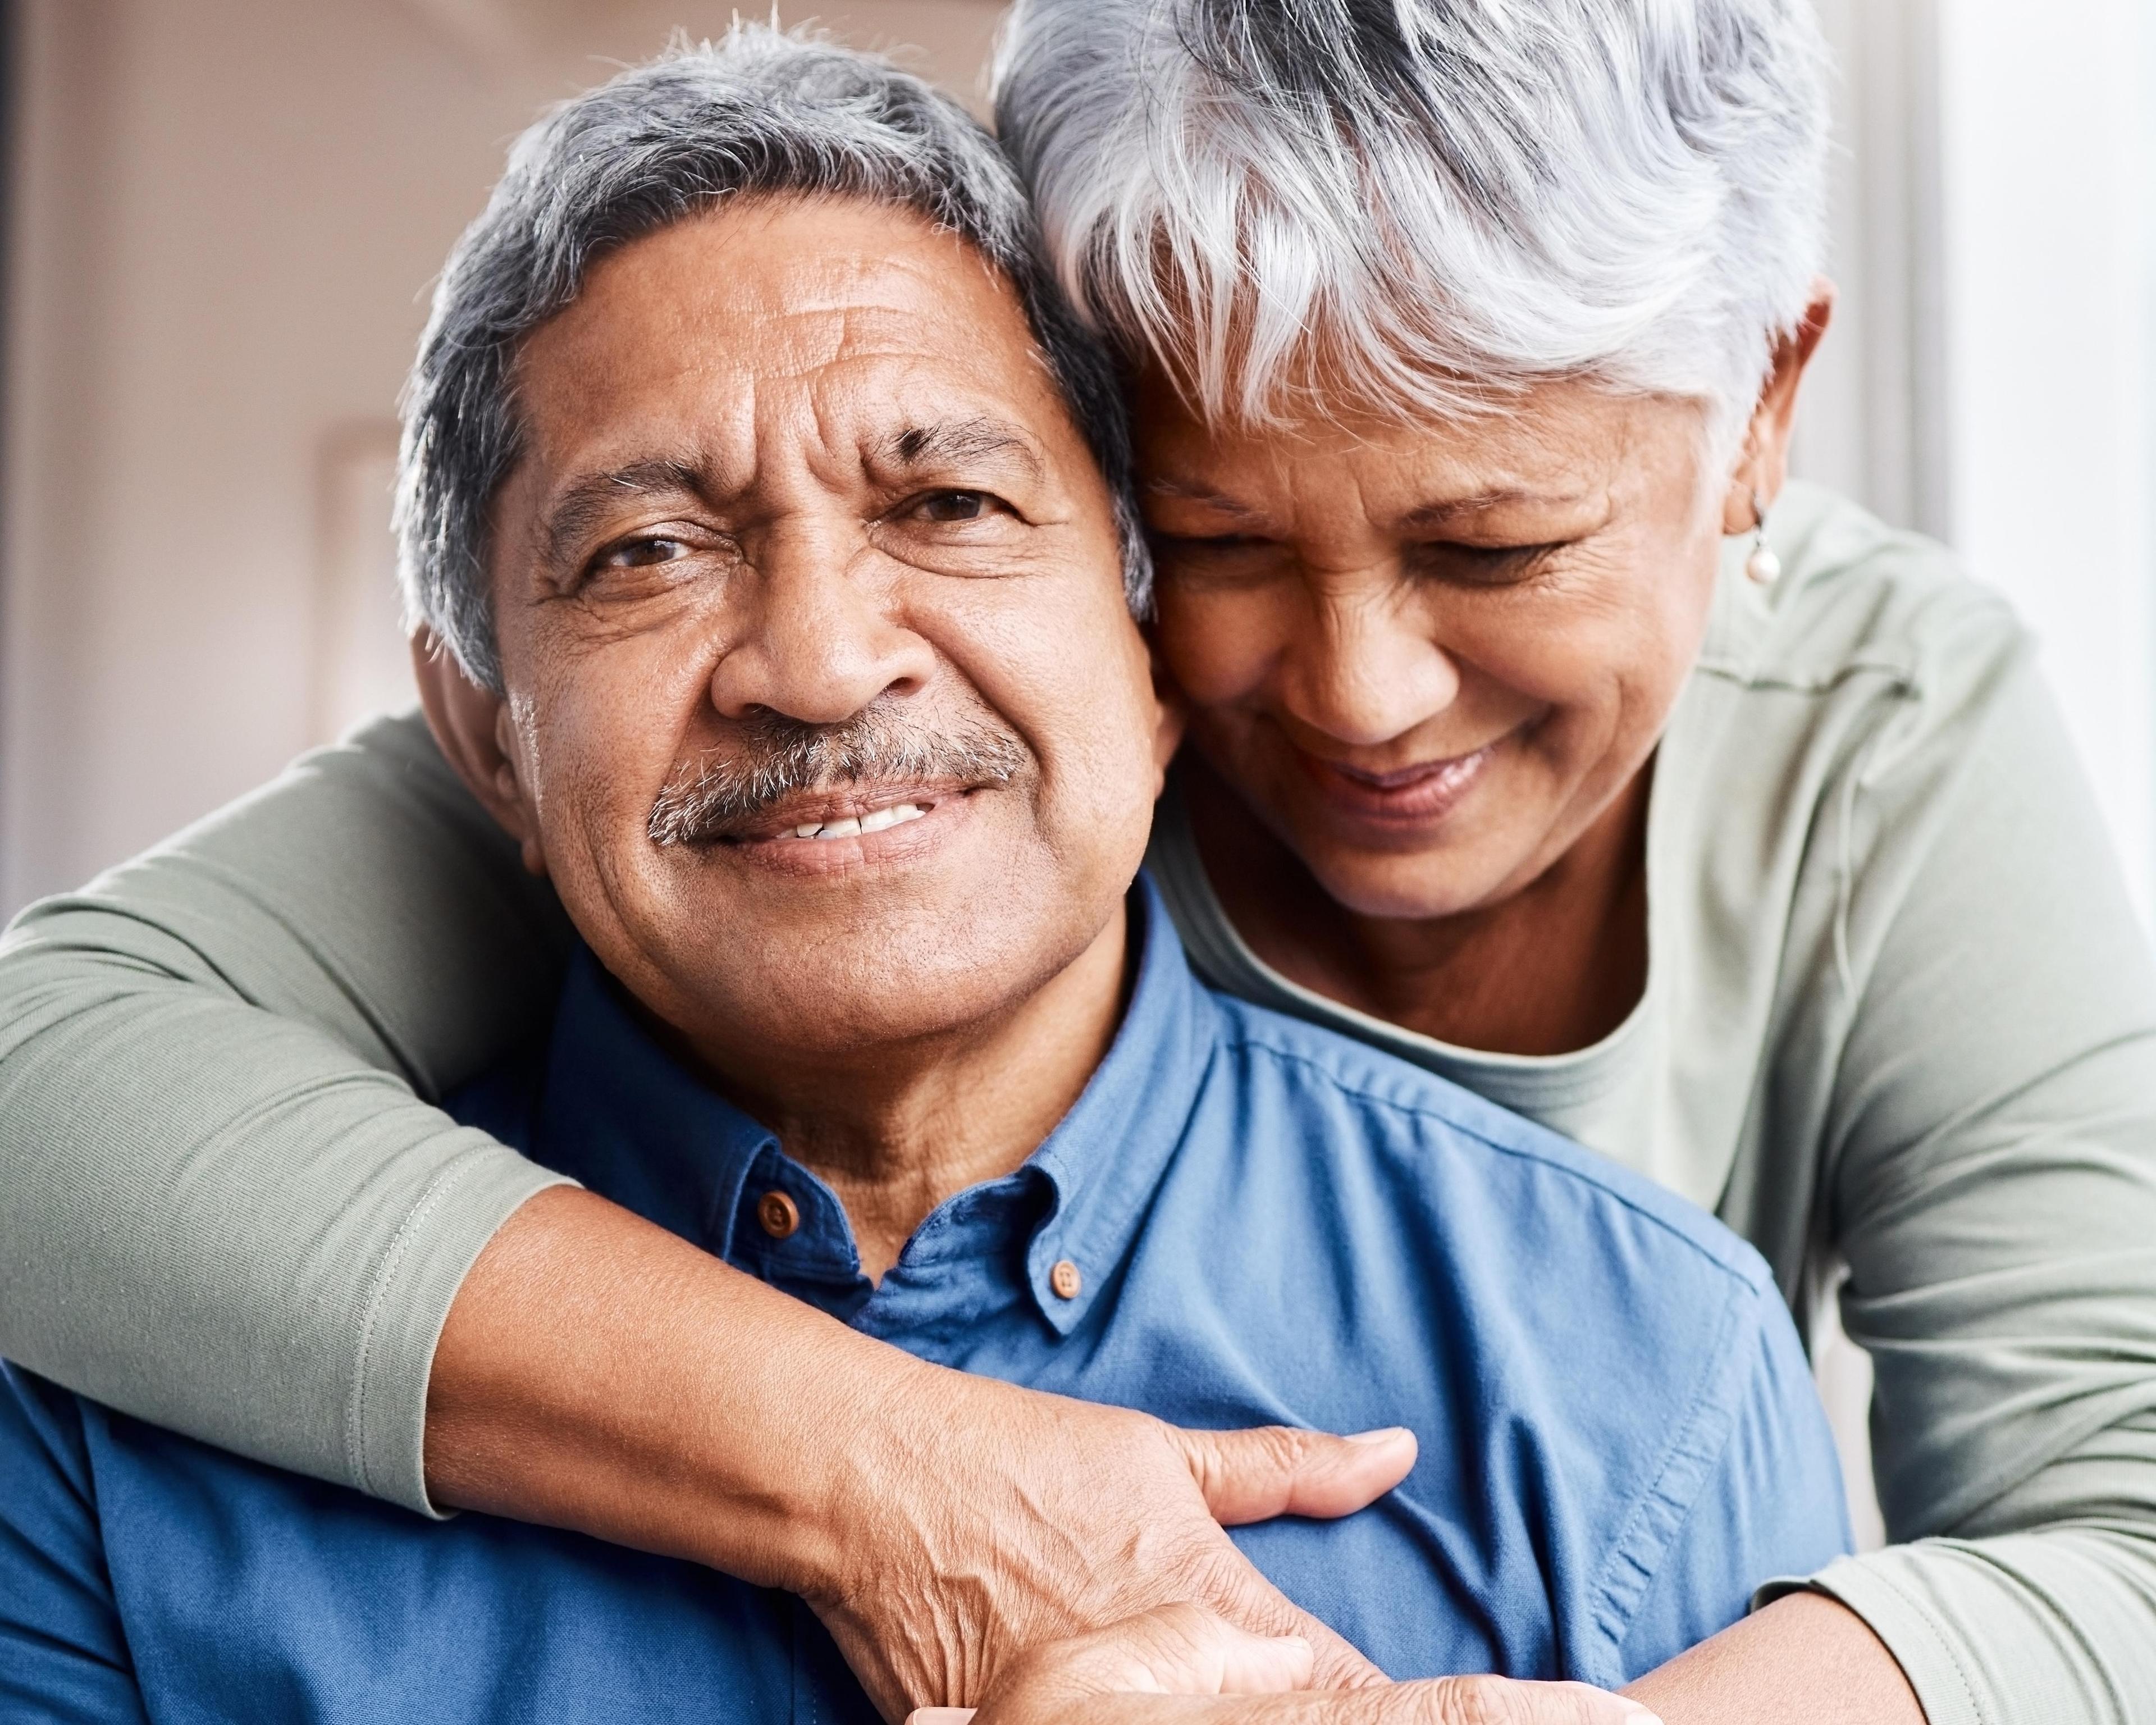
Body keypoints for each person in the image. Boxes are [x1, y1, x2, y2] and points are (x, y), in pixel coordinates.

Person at [1, 0, 2152, 1721]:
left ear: (1765, 414)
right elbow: (57, 1071)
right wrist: (918, 1486)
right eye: (1222, 542)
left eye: (1493, 542)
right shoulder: (708, 761)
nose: (1358, 688)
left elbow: (2131, 1533)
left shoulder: (1680, 1258)